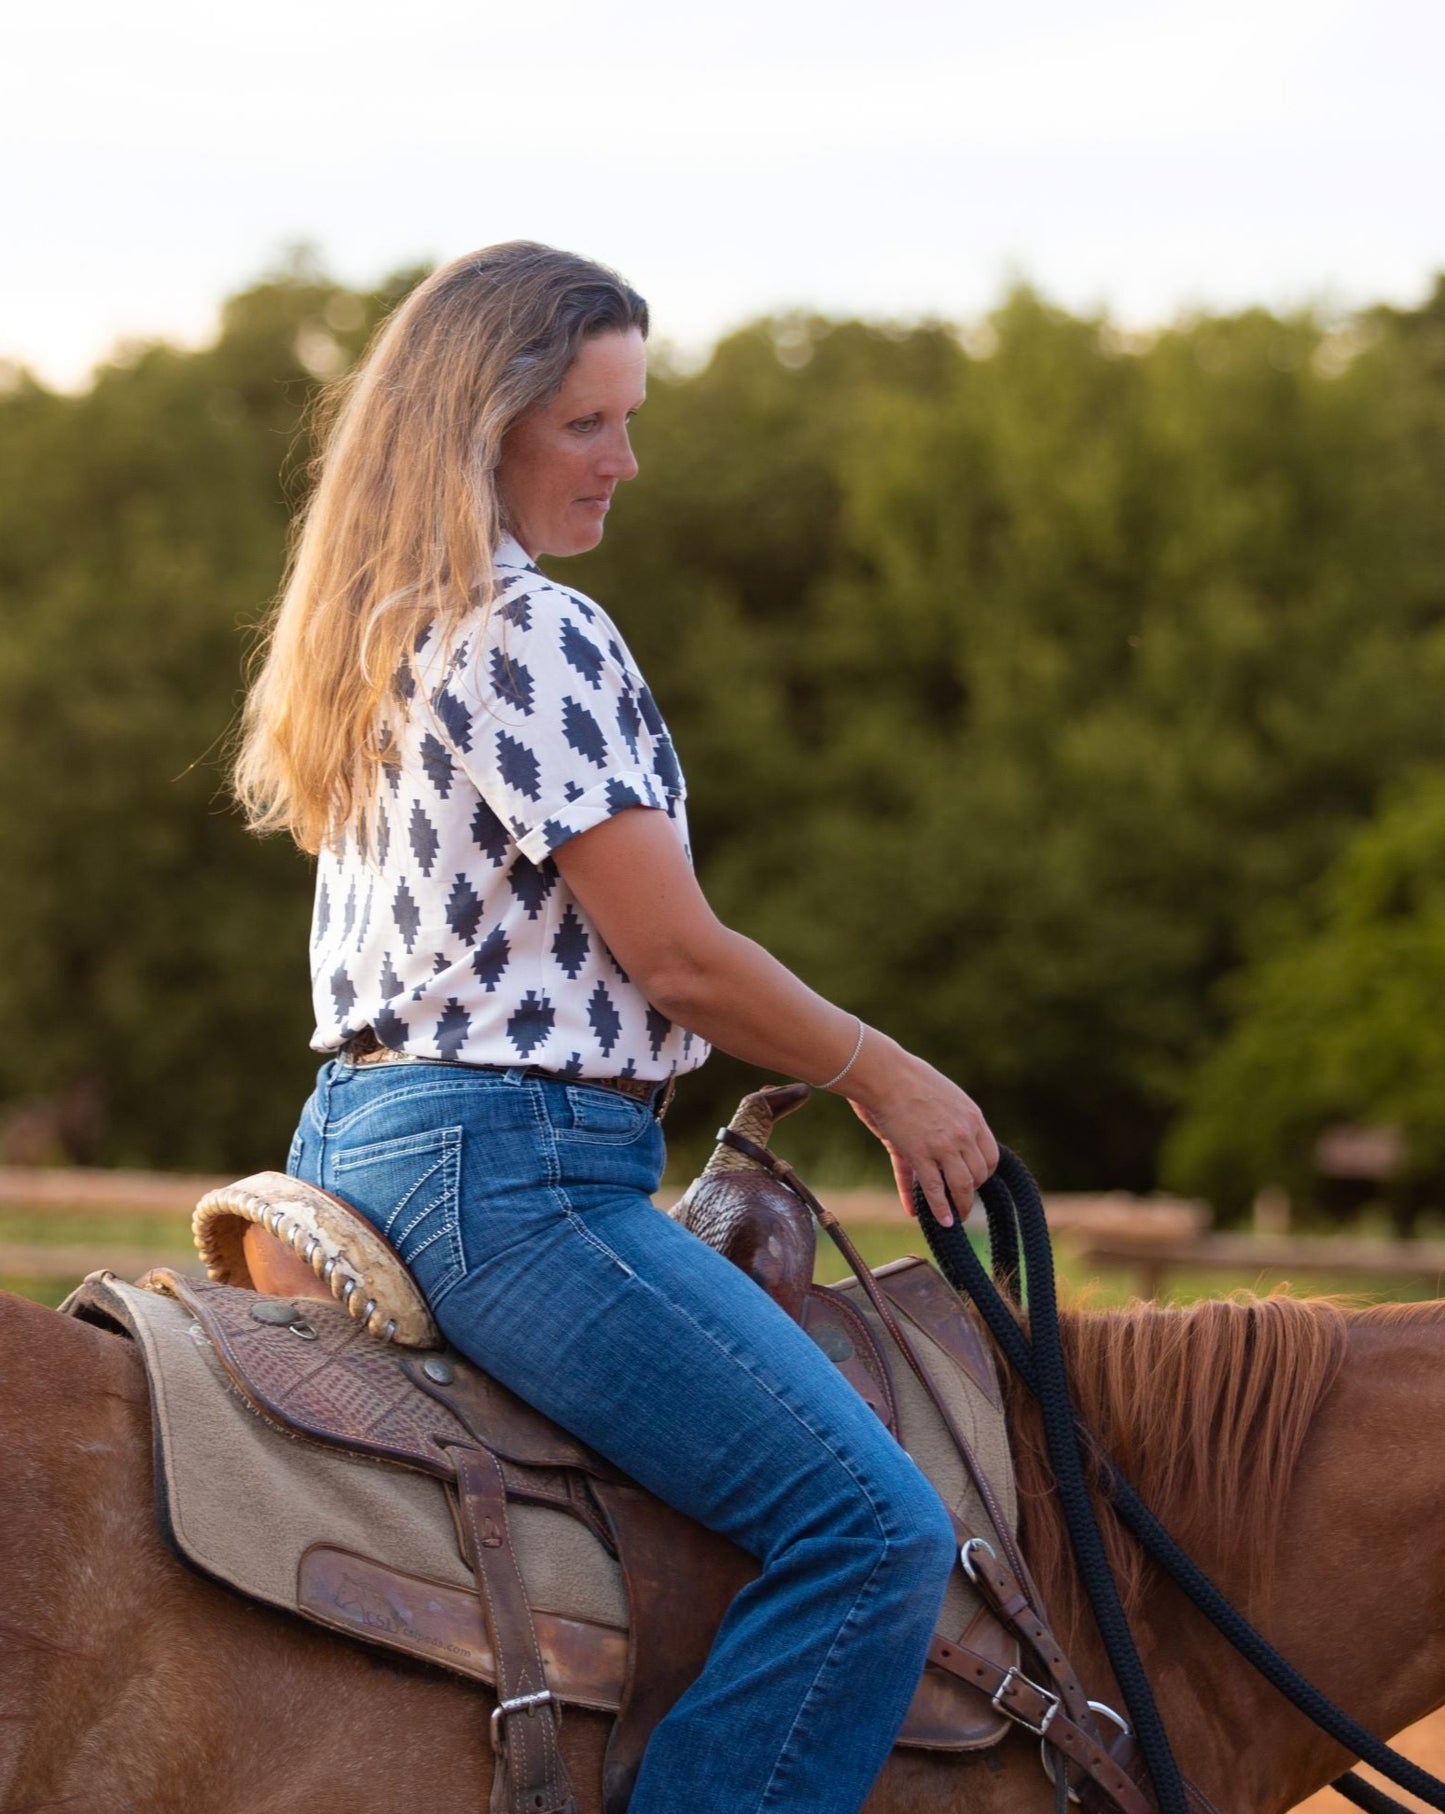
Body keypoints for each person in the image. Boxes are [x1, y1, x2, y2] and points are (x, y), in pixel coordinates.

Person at [234, 241, 999, 1814]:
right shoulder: (535, 634)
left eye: (626, 420)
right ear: (483, 424)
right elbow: (680, 960)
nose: (623, 462)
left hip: (354, 1145)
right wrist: (887, 1074)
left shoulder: (376, 634)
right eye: (588, 423)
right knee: (877, 1532)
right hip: (512, 1180)